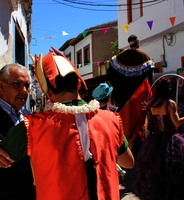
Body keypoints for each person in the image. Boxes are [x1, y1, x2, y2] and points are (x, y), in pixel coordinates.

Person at [0, 47, 134, 200]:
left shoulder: (32, 125)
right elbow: (128, 162)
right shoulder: (111, 119)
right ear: (78, 83)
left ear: (48, 93)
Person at [132, 77, 184, 200]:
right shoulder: (169, 103)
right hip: (170, 141)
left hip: (155, 142)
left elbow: (151, 125)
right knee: (173, 173)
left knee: (157, 173)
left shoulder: (151, 104)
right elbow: (178, 123)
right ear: (168, 89)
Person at [0, 63, 35, 199]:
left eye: (27, 85)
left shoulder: (27, 114)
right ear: (2, 86)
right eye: (17, 84)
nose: (24, 90)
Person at [106, 34, 154, 111]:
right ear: (137, 42)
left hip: (123, 96)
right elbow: (150, 78)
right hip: (139, 95)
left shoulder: (120, 57)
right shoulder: (144, 56)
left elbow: (111, 75)